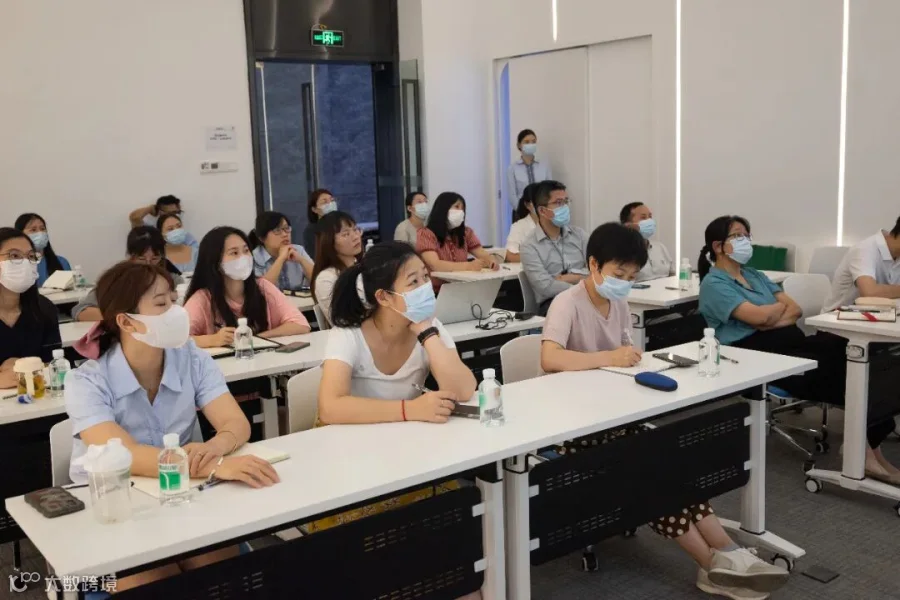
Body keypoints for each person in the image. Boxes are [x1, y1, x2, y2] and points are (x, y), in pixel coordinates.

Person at [541, 222, 787, 599]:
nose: (624, 283)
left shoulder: (618, 302)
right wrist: (609, 357)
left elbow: (625, 352)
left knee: (672, 463)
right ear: (593, 265)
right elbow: (550, 358)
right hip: (576, 429)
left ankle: (728, 553)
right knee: (647, 478)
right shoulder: (567, 303)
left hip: (614, 416)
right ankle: (713, 565)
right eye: (618, 274)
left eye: (631, 276)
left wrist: (630, 358)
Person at [67, 261, 278, 594]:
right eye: (161, 304)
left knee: (219, 570)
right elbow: (125, 456)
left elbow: (235, 423)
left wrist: (216, 446)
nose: (176, 312)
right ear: (126, 321)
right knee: (156, 581)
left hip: (181, 498)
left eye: (174, 300)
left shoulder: (191, 358)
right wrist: (211, 466)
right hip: (111, 506)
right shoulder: (87, 381)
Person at [698, 216, 899, 483]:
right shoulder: (714, 284)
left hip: (792, 344)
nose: (745, 240)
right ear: (718, 246)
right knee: (849, 373)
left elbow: (794, 310)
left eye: (747, 235)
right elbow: (760, 317)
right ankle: (863, 453)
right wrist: (768, 314)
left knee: (861, 356)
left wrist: (767, 317)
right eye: (737, 236)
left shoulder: (754, 274)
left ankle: (868, 446)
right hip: (758, 357)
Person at [184, 227, 310, 348]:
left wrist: (256, 338)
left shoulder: (263, 287)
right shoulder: (202, 299)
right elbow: (179, 341)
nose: (244, 257)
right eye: (234, 253)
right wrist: (213, 339)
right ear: (216, 262)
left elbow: (301, 324)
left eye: (246, 250)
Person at [73, 227, 184, 322]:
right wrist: (127, 318)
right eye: (141, 259)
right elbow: (81, 311)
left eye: (155, 259)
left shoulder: (173, 281)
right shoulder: (118, 279)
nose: (148, 264)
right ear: (130, 257)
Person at [0, 228, 61, 388]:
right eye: (14, 256)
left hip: (36, 395)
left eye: (31, 257)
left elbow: (53, 363)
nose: (25, 263)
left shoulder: (44, 309)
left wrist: (26, 368)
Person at [520, 180, 588, 315]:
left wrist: (570, 278)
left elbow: (598, 270)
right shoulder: (529, 246)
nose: (565, 207)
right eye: (558, 203)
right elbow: (546, 288)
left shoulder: (579, 235)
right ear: (542, 210)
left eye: (566, 201)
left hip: (586, 297)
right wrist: (583, 283)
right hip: (553, 303)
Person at [417, 192, 499, 290]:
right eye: (456, 207)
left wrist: (491, 260)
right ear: (443, 209)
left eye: (462, 209)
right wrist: (469, 266)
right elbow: (435, 265)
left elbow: (481, 253)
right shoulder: (426, 234)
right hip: (437, 290)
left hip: (462, 287)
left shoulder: (466, 232)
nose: (460, 212)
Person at [823, 217, 900, 311]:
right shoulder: (865, 249)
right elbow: (869, 292)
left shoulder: (897, 255)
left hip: (878, 315)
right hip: (835, 316)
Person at [312, 211, 363, 326]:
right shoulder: (326, 278)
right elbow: (342, 321)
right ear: (328, 242)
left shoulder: (364, 266)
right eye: (346, 234)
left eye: (355, 230)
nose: (356, 237)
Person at [250, 211, 314, 291]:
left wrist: (301, 260)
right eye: (277, 230)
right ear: (262, 238)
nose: (285, 234)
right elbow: (262, 290)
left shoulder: (298, 250)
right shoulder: (254, 258)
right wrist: (281, 259)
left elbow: (318, 280)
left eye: (287, 228)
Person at [620, 202, 672, 281]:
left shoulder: (660, 247)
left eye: (650, 217)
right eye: (643, 217)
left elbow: (673, 274)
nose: (649, 221)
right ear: (628, 224)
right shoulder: (621, 251)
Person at [14, 213, 71, 286]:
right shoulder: (14, 264)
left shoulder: (61, 262)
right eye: (33, 230)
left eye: (42, 229)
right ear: (20, 234)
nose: (40, 233)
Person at [507, 129, 553, 213]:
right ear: (519, 145)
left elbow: (549, 190)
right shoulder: (513, 168)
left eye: (533, 142)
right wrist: (521, 210)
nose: (531, 144)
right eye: (527, 142)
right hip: (521, 212)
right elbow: (512, 195)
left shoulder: (544, 166)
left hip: (542, 211)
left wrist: (544, 209)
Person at [128, 195, 198, 246]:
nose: (175, 216)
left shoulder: (184, 234)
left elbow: (196, 252)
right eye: (171, 213)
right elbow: (135, 217)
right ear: (160, 213)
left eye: (177, 212)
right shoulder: (150, 231)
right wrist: (150, 208)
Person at [505, 183, 539, 263]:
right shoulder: (519, 227)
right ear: (528, 205)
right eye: (539, 202)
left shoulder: (555, 224)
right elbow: (510, 255)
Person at [303, 188, 337, 256]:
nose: (330, 204)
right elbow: (316, 255)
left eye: (332, 200)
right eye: (325, 202)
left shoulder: (341, 224)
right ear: (314, 209)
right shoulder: (311, 230)